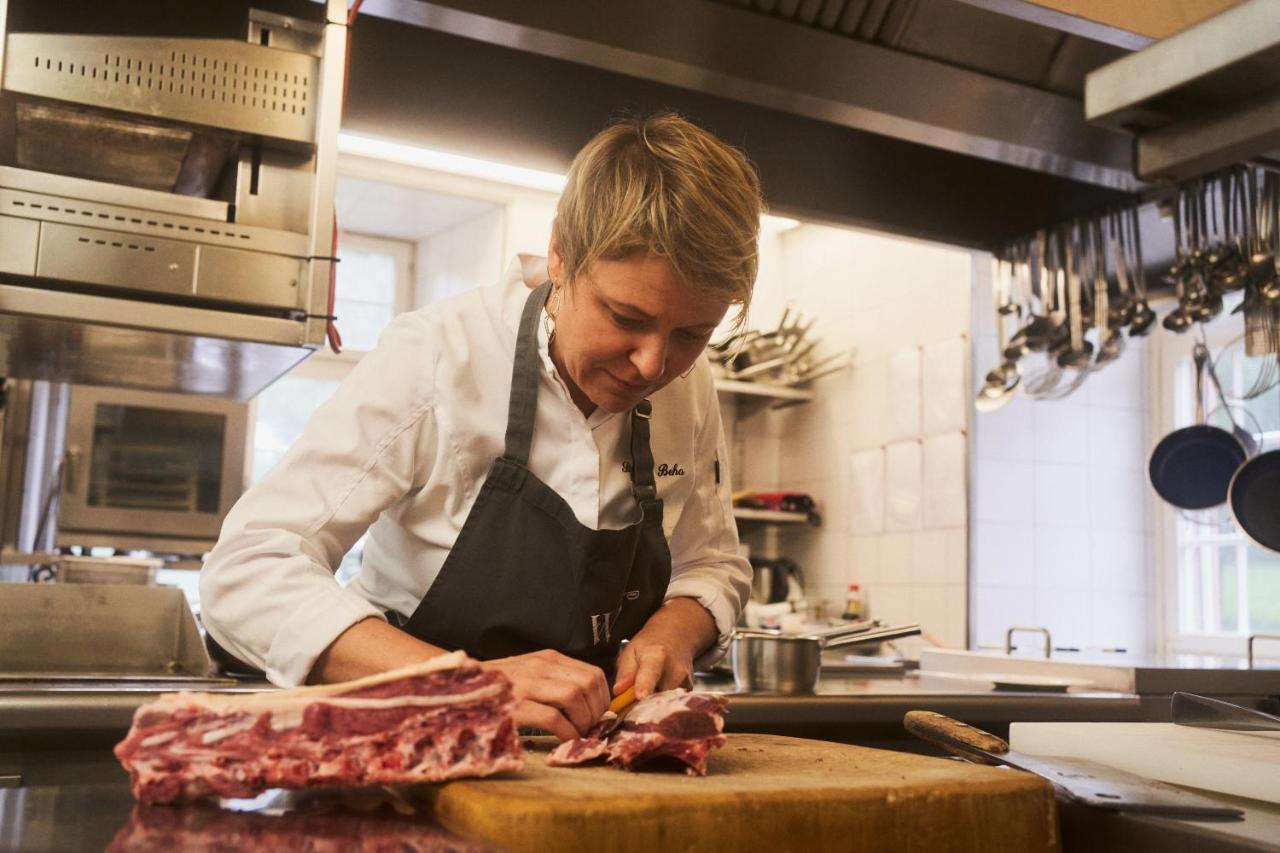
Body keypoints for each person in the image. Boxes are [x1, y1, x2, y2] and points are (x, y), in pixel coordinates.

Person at [200, 112, 761, 741]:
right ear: (560, 254)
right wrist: (461, 684)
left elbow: (712, 562)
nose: (655, 364)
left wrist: (672, 631)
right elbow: (247, 567)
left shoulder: (689, 383)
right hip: (413, 740)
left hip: (584, 757)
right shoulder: (439, 354)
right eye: (626, 316)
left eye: (692, 333)